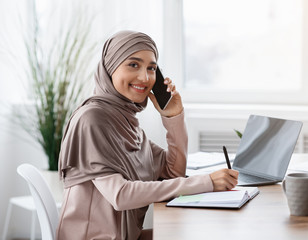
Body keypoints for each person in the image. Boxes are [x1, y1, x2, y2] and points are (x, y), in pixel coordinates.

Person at [56, 30, 239, 240]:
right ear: (110, 67)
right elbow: (120, 195)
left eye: (151, 68)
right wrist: (206, 182)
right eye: (133, 65)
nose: (145, 77)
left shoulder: (126, 121)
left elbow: (172, 172)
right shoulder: (92, 119)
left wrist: (174, 117)